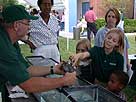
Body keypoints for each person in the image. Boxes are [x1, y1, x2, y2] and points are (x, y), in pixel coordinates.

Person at [0, 5, 76, 102]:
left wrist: (54, 69)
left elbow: (27, 69)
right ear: (16, 25)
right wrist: (63, 81)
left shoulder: (11, 42)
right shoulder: (4, 46)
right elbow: (26, 84)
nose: (29, 27)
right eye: (27, 23)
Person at [94, 7, 130, 72]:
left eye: (113, 17)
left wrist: (127, 63)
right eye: (109, 16)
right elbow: (97, 50)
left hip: (121, 65)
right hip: (108, 66)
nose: (110, 18)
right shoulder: (101, 32)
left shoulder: (120, 31)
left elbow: (125, 48)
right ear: (106, 18)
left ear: (117, 19)